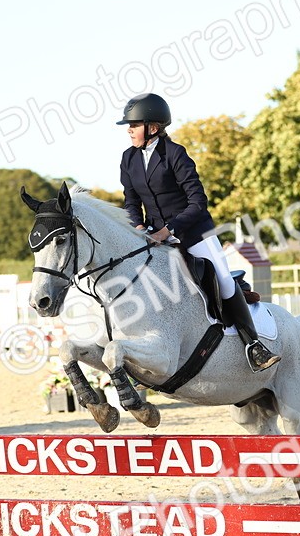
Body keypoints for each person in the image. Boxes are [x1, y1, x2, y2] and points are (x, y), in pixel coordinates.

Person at [116, 92, 280, 372]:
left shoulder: (175, 154)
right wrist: (140, 228)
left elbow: (197, 201)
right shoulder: (128, 158)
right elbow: (131, 201)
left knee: (224, 281)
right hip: (153, 234)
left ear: (152, 128)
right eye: (128, 125)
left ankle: (254, 346)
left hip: (194, 232)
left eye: (134, 125)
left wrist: (168, 230)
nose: (129, 130)